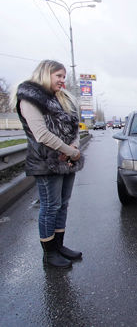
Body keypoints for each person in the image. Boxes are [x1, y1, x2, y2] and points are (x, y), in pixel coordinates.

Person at [13, 60, 85, 269]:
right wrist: (71, 152)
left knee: (62, 204)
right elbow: (42, 135)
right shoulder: (29, 99)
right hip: (46, 161)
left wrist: (75, 147)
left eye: (64, 76)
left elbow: (75, 128)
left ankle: (59, 246)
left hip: (68, 160)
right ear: (45, 74)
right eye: (59, 76)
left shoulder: (63, 99)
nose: (63, 80)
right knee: (50, 206)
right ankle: (49, 254)